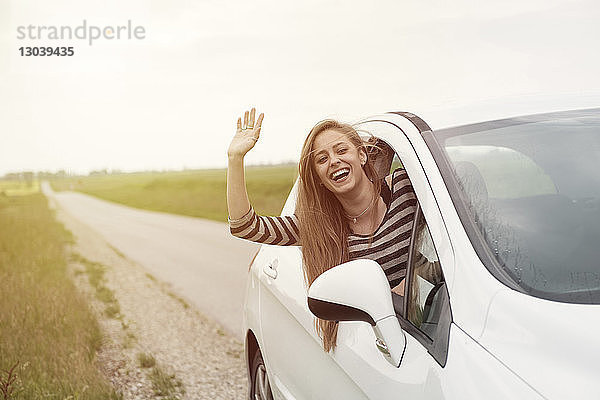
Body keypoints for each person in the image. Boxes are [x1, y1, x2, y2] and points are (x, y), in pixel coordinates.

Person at [227, 108, 417, 352]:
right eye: (322, 159)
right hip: (377, 345)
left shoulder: (404, 187)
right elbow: (246, 227)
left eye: (341, 150)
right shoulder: (318, 226)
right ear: (318, 177)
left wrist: (415, 285)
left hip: (431, 327)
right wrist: (235, 158)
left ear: (361, 155)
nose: (334, 161)